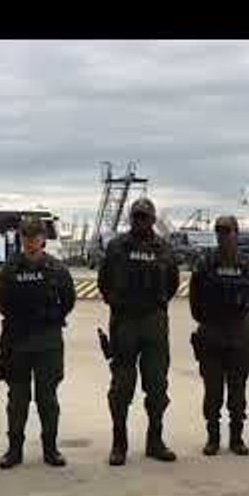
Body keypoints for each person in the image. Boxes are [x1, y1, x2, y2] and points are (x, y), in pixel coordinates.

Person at [98, 197, 180, 466]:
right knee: (122, 386)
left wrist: (154, 307)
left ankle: (155, 440)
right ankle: (119, 443)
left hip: (153, 322)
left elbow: (172, 284)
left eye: (145, 217)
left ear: (153, 219)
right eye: (136, 216)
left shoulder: (164, 249)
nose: (140, 221)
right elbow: (104, 282)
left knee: (157, 385)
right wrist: (119, 305)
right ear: (130, 218)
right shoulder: (116, 247)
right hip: (124, 323)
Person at [0, 216, 76, 469]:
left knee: (47, 399)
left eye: (36, 236)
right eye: (26, 236)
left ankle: (50, 449)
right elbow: (0, 303)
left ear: (43, 239)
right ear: (21, 238)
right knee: (17, 399)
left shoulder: (57, 269)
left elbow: (69, 301)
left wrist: (50, 318)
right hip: (17, 342)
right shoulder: (9, 269)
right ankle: (14, 450)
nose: (31, 241)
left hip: (47, 343)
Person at [189, 215, 249, 456]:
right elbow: (194, 302)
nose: (223, 235)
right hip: (212, 331)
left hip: (239, 331)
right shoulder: (205, 263)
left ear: (236, 233)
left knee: (238, 390)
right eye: (219, 231)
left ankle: (237, 438)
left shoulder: (247, 263)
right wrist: (208, 321)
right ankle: (213, 437)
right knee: (212, 391)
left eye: (227, 231)